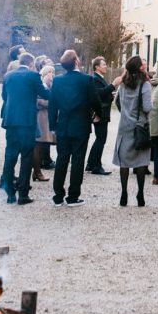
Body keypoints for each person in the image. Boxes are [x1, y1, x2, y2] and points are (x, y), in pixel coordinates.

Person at [48, 49, 102, 208]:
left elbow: (52, 105)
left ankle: (58, 196)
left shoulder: (57, 81)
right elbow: (95, 100)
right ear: (76, 61)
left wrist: (52, 126)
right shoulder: (87, 80)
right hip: (81, 125)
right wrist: (98, 115)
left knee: (62, 159)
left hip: (63, 125)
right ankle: (73, 196)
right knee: (78, 161)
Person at [0, 52, 49, 205]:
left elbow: (4, 97)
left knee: (10, 155)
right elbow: (45, 94)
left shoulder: (8, 76)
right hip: (27, 122)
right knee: (26, 157)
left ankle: (9, 193)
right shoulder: (33, 76)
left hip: (11, 121)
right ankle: (23, 194)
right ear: (31, 63)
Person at [113, 55, 152, 206]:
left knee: (125, 161)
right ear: (140, 68)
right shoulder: (145, 84)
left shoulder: (123, 84)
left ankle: (124, 194)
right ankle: (140, 194)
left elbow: (116, 101)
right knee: (141, 161)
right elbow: (147, 107)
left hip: (124, 126)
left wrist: (126, 112)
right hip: (140, 126)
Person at [85, 56, 116, 175]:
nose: (106, 66)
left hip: (102, 112)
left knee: (100, 139)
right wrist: (113, 85)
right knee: (101, 139)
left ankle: (91, 163)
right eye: (104, 64)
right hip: (100, 113)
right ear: (97, 67)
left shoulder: (99, 78)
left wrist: (110, 95)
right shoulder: (95, 79)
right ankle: (96, 166)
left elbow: (104, 94)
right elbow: (99, 94)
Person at [32, 63, 55, 182]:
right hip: (40, 118)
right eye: (50, 72)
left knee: (41, 147)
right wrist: (51, 104)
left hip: (46, 119)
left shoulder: (49, 86)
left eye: (53, 72)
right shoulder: (40, 85)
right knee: (38, 146)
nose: (52, 75)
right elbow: (36, 101)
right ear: (45, 74)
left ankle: (37, 172)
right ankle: (37, 172)